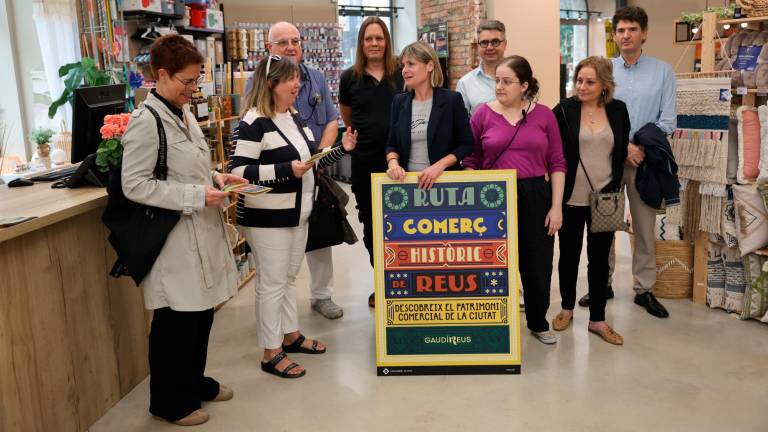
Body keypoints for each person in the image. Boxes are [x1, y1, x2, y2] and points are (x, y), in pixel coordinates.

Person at [120, 35, 245, 426]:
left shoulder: (182, 112)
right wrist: (194, 195)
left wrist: (215, 177)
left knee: (201, 314)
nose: (193, 90)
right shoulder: (147, 121)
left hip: (200, 227)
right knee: (175, 320)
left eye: (197, 81)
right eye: (187, 82)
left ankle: (194, 381)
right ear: (161, 75)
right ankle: (169, 401)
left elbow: (185, 165)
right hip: (173, 236)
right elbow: (135, 184)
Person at [230, 55, 357, 379]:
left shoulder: (293, 115)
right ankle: (270, 352)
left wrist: (341, 148)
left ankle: (290, 335)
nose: (298, 85)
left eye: (298, 79)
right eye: (291, 80)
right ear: (272, 84)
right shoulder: (254, 121)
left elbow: (310, 158)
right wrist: (286, 170)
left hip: (297, 214)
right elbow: (240, 170)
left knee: (286, 279)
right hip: (267, 218)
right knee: (272, 284)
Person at [578, 6, 676, 319]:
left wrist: (640, 147)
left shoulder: (663, 71)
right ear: (615, 35)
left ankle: (644, 288)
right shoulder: (605, 72)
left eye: (632, 29)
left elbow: (668, 120)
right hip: (608, 160)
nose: (625, 35)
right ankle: (601, 283)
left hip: (645, 161)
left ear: (644, 33)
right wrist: (623, 148)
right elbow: (592, 111)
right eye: (620, 30)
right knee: (603, 224)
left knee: (645, 228)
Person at [462, 55, 567, 344]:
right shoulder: (482, 114)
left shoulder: (544, 115)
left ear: (524, 85)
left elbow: (557, 162)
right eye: (496, 80)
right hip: (493, 195)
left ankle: (537, 321)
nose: (499, 86)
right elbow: (471, 158)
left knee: (537, 262)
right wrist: (473, 195)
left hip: (536, 194)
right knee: (493, 261)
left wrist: (556, 207)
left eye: (506, 81)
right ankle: (494, 322)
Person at [243, 21, 344, 320]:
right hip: (279, 177)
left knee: (321, 235)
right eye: (283, 42)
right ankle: (277, 316)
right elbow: (252, 133)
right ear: (269, 49)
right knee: (280, 257)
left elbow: (330, 121)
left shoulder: (316, 78)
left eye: (295, 41)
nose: (290, 47)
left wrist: (318, 157)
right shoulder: (258, 82)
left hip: (315, 170)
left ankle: (322, 296)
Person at [552, 56, 630, 345]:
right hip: (571, 198)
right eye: (579, 81)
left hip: (606, 198)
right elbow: (555, 154)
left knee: (600, 261)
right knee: (569, 257)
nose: (582, 87)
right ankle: (566, 308)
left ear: (604, 84)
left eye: (590, 82)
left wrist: (615, 184)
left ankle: (598, 319)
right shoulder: (563, 110)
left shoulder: (618, 110)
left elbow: (620, 150)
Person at [339, 17, 404, 307]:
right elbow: (347, 116)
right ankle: (384, 282)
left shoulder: (402, 74)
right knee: (372, 225)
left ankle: (405, 281)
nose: (374, 43)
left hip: (402, 162)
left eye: (379, 38)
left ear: (386, 41)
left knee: (403, 225)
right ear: (361, 43)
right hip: (365, 163)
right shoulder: (349, 78)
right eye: (369, 38)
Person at [385, 42, 473, 189]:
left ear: (430, 66)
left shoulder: (452, 100)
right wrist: (393, 164)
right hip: (408, 184)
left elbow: (467, 144)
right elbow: (391, 144)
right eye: (403, 65)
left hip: (445, 184)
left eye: (411, 64)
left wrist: (439, 166)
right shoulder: (399, 102)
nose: (404, 71)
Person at [456, 20, 508, 115]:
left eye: (495, 42)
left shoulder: (520, 76)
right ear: (477, 47)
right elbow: (461, 124)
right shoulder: (465, 83)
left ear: (505, 44)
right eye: (484, 43)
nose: (489, 47)